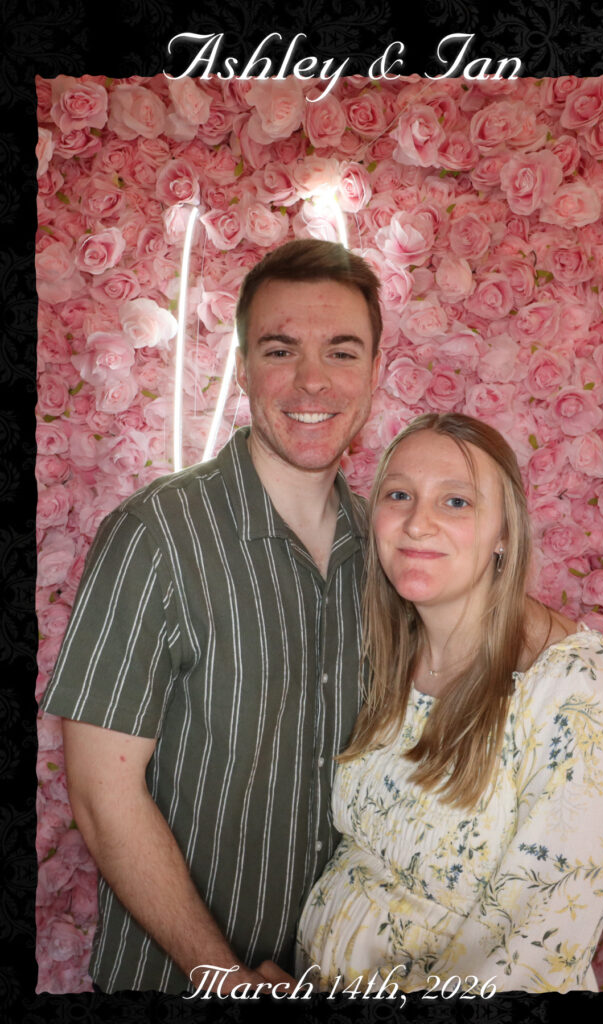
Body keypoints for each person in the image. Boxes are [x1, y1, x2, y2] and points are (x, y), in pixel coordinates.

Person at [41, 238, 382, 994]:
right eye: (280, 349)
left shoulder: (388, 552)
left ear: (374, 371)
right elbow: (102, 794)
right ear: (244, 365)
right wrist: (223, 978)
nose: (312, 379)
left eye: (342, 351)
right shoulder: (154, 535)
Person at [297, 412, 603, 994]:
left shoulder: (572, 683)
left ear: (504, 532)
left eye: (456, 502)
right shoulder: (386, 651)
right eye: (399, 495)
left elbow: (537, 947)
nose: (417, 523)